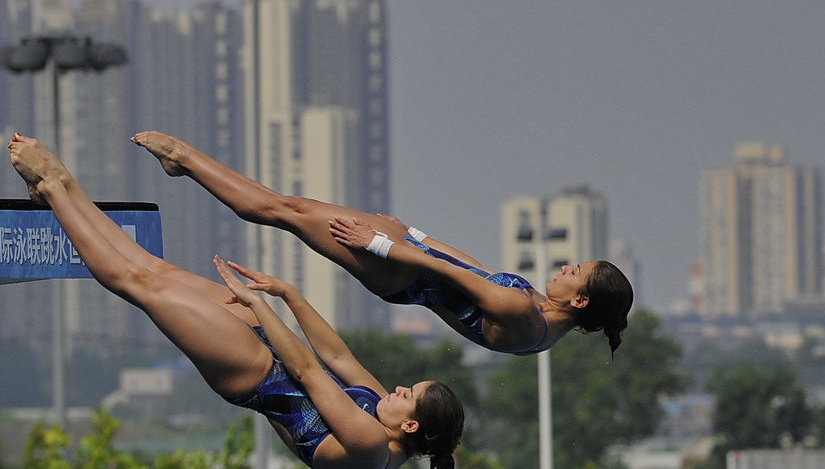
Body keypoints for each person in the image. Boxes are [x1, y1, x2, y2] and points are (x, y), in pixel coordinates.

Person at [7, 134, 464, 469]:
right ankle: (60, 193)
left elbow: (308, 372)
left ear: (410, 425)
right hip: (272, 350)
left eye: (409, 394)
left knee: (139, 285)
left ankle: (53, 184)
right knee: (154, 269)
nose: (399, 387)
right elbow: (338, 358)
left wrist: (261, 308)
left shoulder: (370, 450)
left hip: (254, 375)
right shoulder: (384, 413)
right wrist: (290, 295)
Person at [131, 131, 634, 356]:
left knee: (283, 210)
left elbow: (449, 275)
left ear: (582, 299)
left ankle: (183, 159)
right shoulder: (542, 322)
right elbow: (473, 266)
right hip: (407, 265)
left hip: (401, 270)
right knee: (290, 206)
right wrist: (413, 232)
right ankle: (186, 162)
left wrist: (382, 243)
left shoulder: (526, 317)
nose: (565, 268)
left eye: (575, 272)